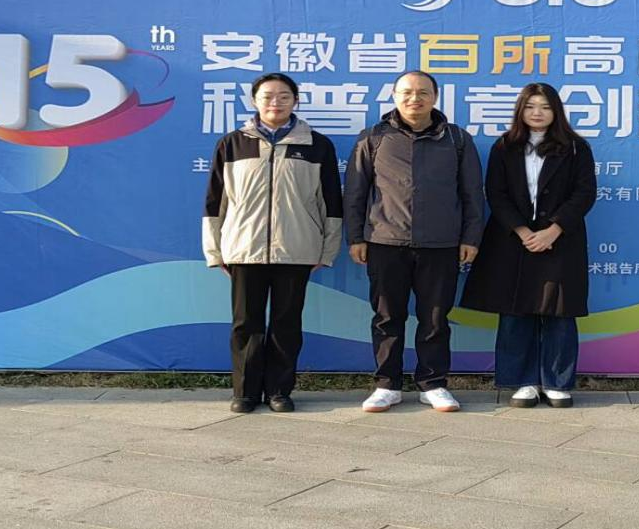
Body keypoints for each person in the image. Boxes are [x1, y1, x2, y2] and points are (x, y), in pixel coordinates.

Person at [343, 70, 484, 412]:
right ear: (394, 96)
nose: (414, 98)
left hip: (441, 243)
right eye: (406, 92)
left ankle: (433, 383)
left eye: (422, 92)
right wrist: (356, 237)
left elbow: (472, 193)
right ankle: (386, 384)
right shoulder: (373, 138)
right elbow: (356, 192)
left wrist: (471, 237)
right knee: (386, 317)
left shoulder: (456, 139)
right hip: (385, 241)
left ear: (435, 97)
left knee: (435, 319)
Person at [203, 73, 342, 414]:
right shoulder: (232, 144)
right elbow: (215, 201)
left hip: (297, 248)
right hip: (244, 248)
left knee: (286, 323)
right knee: (245, 323)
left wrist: (327, 250)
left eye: (283, 96)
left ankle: (280, 390)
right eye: (267, 96)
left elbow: (331, 202)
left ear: (295, 101)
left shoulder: (317, 145)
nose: (275, 102)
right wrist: (215, 251)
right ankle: (245, 392)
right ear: (254, 101)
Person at [461, 83, 596, 408]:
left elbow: (584, 193)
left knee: (559, 312)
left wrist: (553, 230)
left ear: (556, 112)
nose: (537, 113)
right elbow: (496, 193)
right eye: (531, 106)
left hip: (560, 240)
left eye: (545, 107)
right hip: (513, 240)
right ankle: (523, 381)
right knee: (515, 310)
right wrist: (522, 231)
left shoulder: (575, 147)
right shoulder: (505, 146)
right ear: (520, 110)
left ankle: (557, 382)